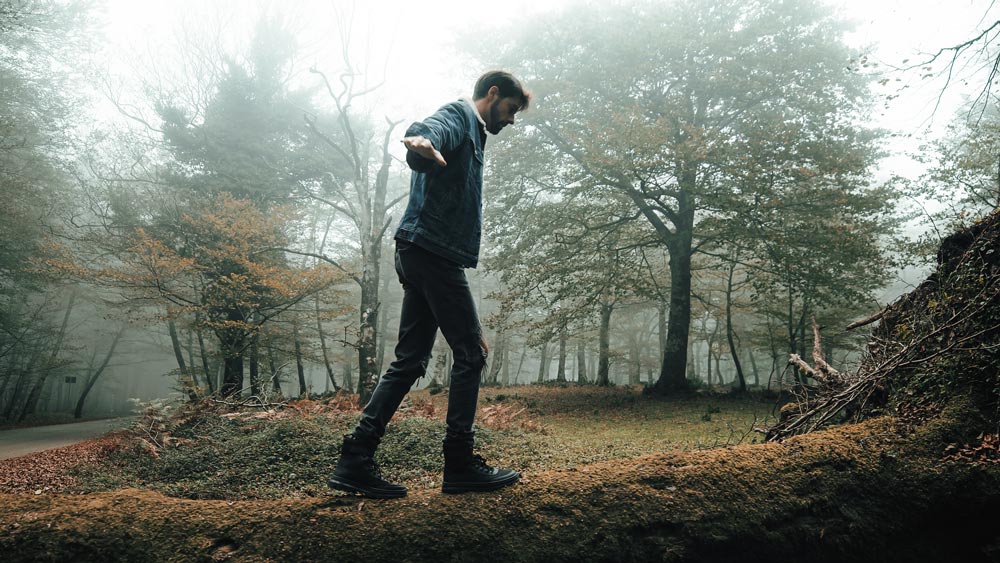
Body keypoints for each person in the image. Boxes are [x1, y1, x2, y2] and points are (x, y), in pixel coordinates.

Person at [328, 71, 531, 498]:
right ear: (492, 95)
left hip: (421, 250)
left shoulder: (476, 138)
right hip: (432, 252)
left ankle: (355, 459)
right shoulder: (460, 116)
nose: (511, 120)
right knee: (470, 353)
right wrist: (418, 142)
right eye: (510, 109)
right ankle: (459, 464)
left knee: (410, 360)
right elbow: (428, 131)